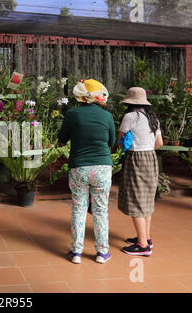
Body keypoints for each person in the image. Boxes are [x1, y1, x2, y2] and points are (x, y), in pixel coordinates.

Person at [58, 79, 115, 264]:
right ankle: (102, 253)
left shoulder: (72, 114)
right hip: (102, 168)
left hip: (79, 168)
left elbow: (62, 139)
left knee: (79, 209)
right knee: (100, 210)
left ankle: (76, 252)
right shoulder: (107, 116)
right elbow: (111, 142)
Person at [117, 87, 163, 256]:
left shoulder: (130, 116)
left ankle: (142, 246)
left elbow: (121, 140)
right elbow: (159, 143)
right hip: (151, 158)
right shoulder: (153, 118)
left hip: (136, 159)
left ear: (129, 102)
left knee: (135, 199)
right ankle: (145, 237)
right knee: (146, 199)